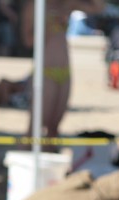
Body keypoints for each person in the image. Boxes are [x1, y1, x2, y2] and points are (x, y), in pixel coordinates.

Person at [21, 0, 104, 146]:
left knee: (54, 129)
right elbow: (28, 41)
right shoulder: (35, 6)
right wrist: (45, 28)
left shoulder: (66, 4)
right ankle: (23, 160)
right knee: (35, 127)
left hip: (65, 70)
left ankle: (48, 163)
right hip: (46, 70)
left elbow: (98, 7)